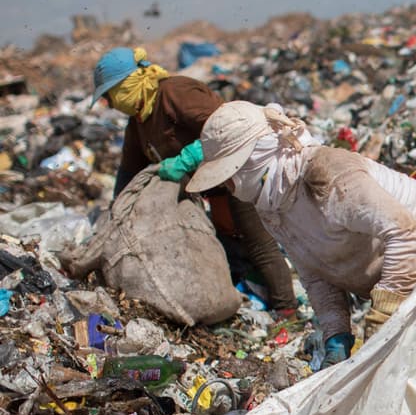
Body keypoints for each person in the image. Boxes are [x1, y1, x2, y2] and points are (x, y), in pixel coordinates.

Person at [186, 101, 416, 382]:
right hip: (406, 276)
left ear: (254, 159)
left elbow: (406, 235)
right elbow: (314, 273)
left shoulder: (327, 175)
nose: (228, 186)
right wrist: (336, 334)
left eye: (230, 174)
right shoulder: (271, 206)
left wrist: (384, 312)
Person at [91, 46, 296, 314]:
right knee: (228, 241)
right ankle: (254, 294)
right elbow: (129, 172)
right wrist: (116, 211)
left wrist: (187, 159)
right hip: (214, 185)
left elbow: (226, 126)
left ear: (126, 84)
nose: (110, 104)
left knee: (258, 242)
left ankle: (287, 310)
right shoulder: (138, 122)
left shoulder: (175, 93)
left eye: (109, 95)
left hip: (240, 169)